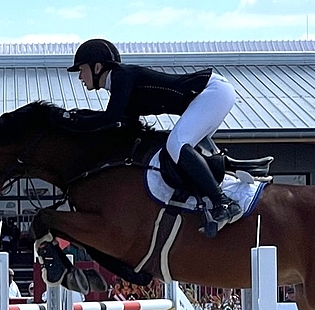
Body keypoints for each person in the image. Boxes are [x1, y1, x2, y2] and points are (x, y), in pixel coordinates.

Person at [67, 37, 240, 237]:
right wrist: (80, 118)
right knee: (186, 152)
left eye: (81, 69)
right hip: (215, 93)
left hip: (212, 91)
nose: (80, 77)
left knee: (176, 144)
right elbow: (123, 124)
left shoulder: (121, 75)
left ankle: (223, 203)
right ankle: (223, 185)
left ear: (97, 67)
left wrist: (71, 121)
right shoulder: (121, 85)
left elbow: (110, 118)